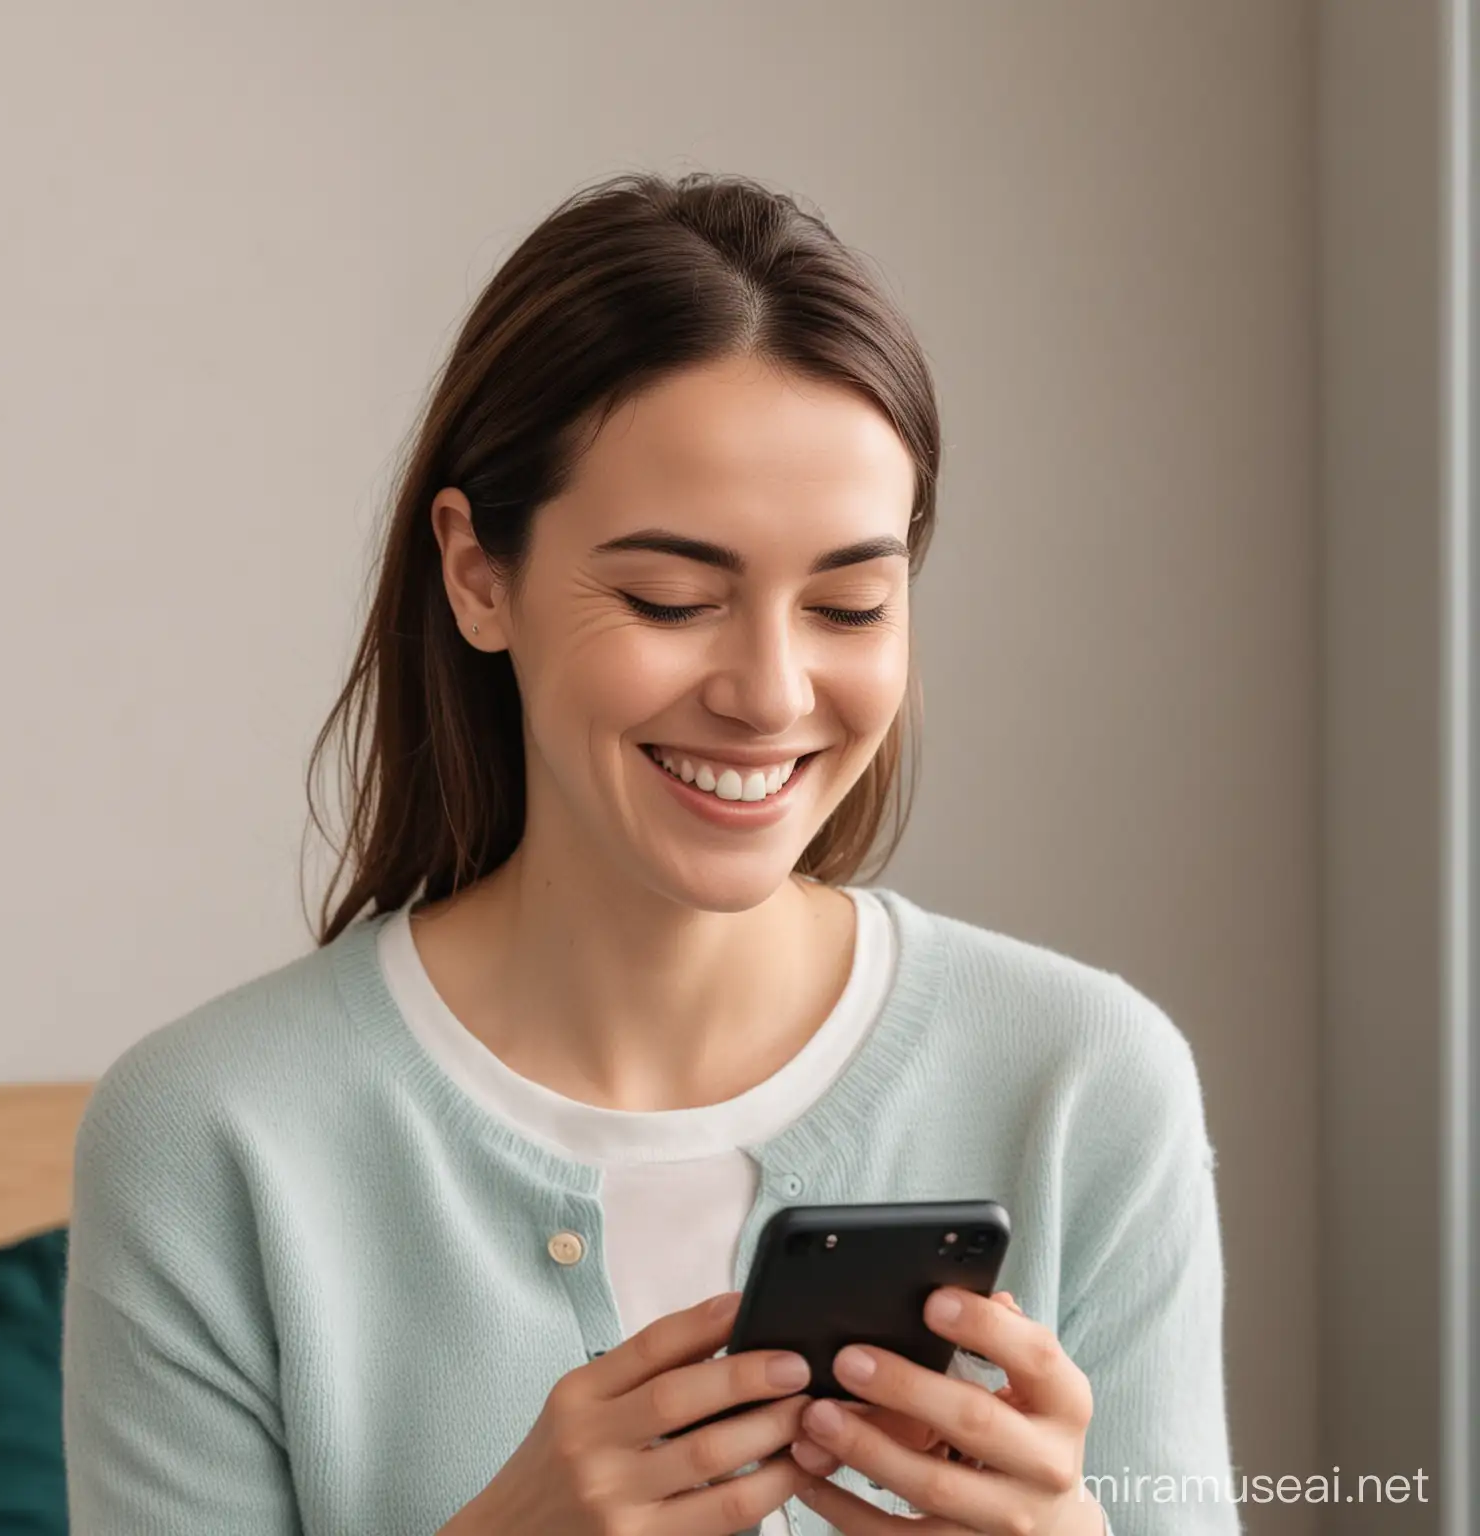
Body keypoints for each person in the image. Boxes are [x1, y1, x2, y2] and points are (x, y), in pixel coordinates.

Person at [63, 171, 1238, 1536]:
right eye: (673, 598)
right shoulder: (212, 1138)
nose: (773, 692)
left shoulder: (1085, 1080)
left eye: (852, 603)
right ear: (476, 574)